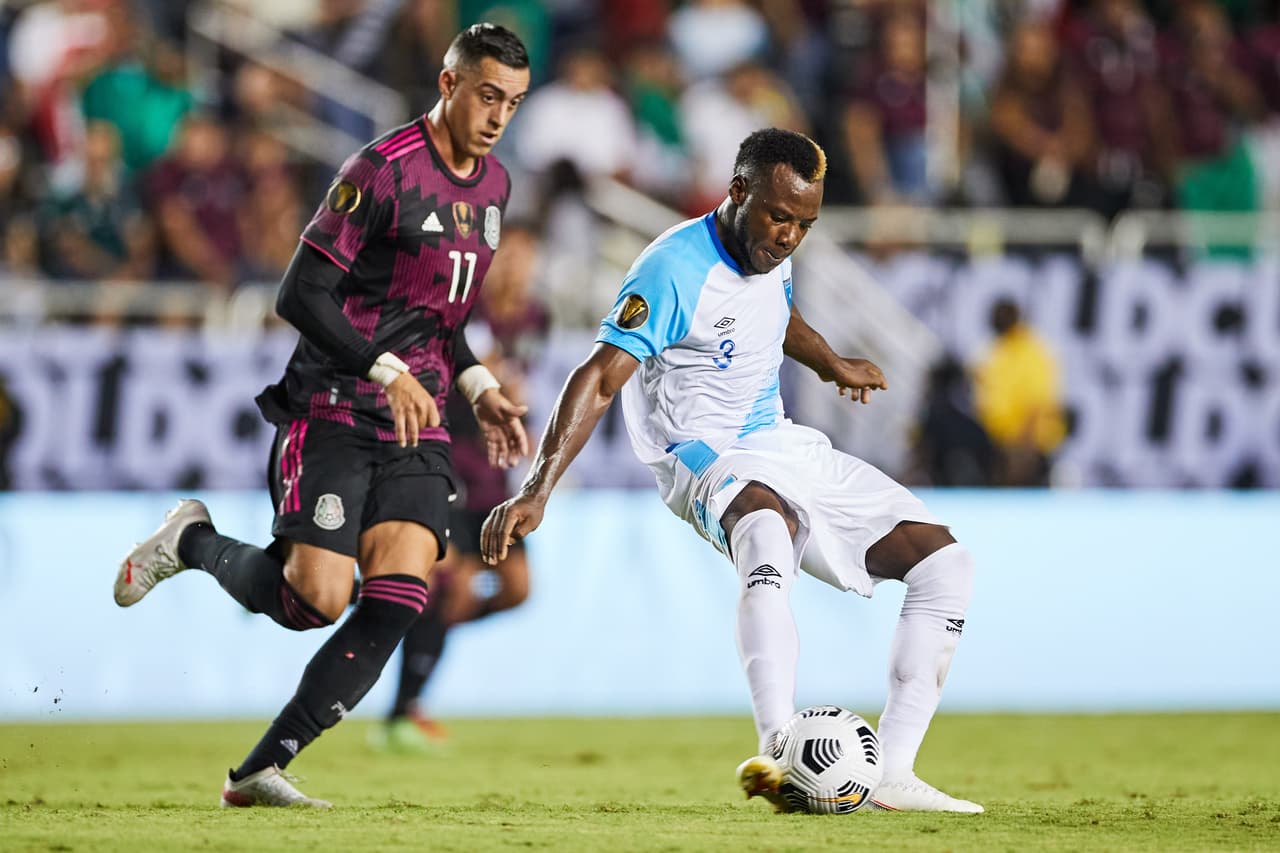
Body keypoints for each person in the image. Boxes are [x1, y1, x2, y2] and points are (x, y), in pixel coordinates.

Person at [481, 128, 984, 813]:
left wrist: (829, 360)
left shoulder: (770, 247)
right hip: (695, 452)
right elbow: (598, 377)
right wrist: (538, 489)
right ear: (738, 191)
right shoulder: (673, 267)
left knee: (946, 566)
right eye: (781, 218)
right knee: (768, 533)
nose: (790, 237)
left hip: (772, 438)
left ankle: (892, 770)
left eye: (805, 224)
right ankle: (780, 750)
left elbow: (772, 311)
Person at [112, 23, 533, 808]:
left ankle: (259, 771)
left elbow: (442, 318)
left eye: (512, 101)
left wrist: (477, 388)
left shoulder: (496, 190)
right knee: (315, 601)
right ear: (448, 85)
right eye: (487, 95)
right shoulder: (381, 170)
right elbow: (297, 293)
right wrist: (384, 366)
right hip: (334, 406)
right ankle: (192, 539)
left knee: (404, 595)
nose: (499, 115)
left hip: (420, 423)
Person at [374, 222, 548, 753]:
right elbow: (446, 374)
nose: (518, 268)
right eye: (510, 258)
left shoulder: (537, 318)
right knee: (451, 584)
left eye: (526, 258)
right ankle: (403, 711)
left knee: (517, 589)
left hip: (496, 477)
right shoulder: (465, 312)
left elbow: (523, 383)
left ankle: (416, 630)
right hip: (452, 464)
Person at [972, 299, 1066, 487]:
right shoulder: (1000, 348)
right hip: (1002, 445)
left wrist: (1024, 449)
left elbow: (1036, 402)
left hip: (1026, 447)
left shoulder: (1030, 351)